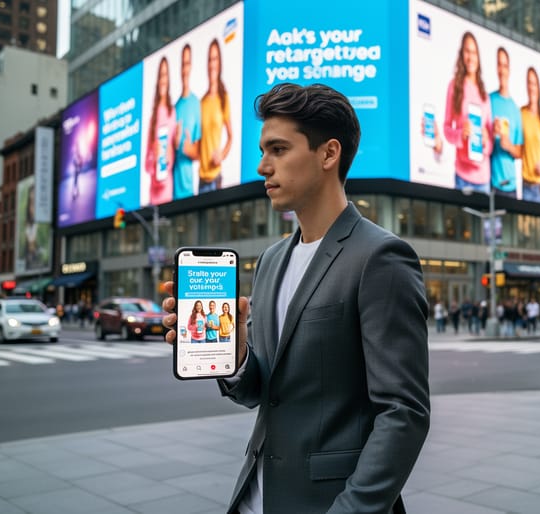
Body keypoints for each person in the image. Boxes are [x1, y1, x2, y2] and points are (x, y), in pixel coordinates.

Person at [161, 83, 430, 514]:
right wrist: (236, 352)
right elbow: (261, 393)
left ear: (328, 154)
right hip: (257, 497)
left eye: (279, 149)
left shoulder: (381, 257)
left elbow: (404, 412)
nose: (262, 166)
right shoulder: (270, 260)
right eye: (263, 150)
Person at [437, 31, 493, 192]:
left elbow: (490, 145)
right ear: (462, 55)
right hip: (462, 176)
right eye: (467, 52)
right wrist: (461, 134)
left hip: (483, 179)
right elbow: (447, 129)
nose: (470, 57)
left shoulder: (485, 95)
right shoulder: (454, 86)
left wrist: (485, 140)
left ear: (478, 56)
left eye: (474, 52)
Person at [199, 39, 233, 194]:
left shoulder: (223, 98)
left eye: (215, 59)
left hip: (215, 177)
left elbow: (231, 136)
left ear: (219, 63)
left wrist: (222, 154)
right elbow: (199, 143)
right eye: (210, 60)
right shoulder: (202, 102)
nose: (212, 64)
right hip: (201, 178)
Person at [489, 47, 522, 197]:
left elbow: (520, 152)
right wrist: (492, 133)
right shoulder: (489, 100)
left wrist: (508, 145)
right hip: (492, 183)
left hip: (511, 186)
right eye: (499, 65)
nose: (502, 70)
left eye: (505, 65)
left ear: (509, 69)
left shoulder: (515, 109)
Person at [145, 56, 176, 205]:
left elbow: (175, 152)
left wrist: (169, 156)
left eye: (165, 75)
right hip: (153, 191)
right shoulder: (152, 118)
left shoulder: (173, 112)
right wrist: (153, 158)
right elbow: (146, 163)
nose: (163, 80)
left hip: (167, 188)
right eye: (161, 76)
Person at [174, 43, 201, 200]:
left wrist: (186, 149)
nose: (185, 69)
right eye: (182, 64)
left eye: (187, 64)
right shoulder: (174, 108)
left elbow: (199, 153)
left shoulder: (196, 104)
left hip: (188, 189)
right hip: (170, 191)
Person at [520, 67, 540, 203]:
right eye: (529, 83)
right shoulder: (521, 113)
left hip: (539, 187)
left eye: (534, 83)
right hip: (524, 185)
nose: (531, 87)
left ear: (538, 87)